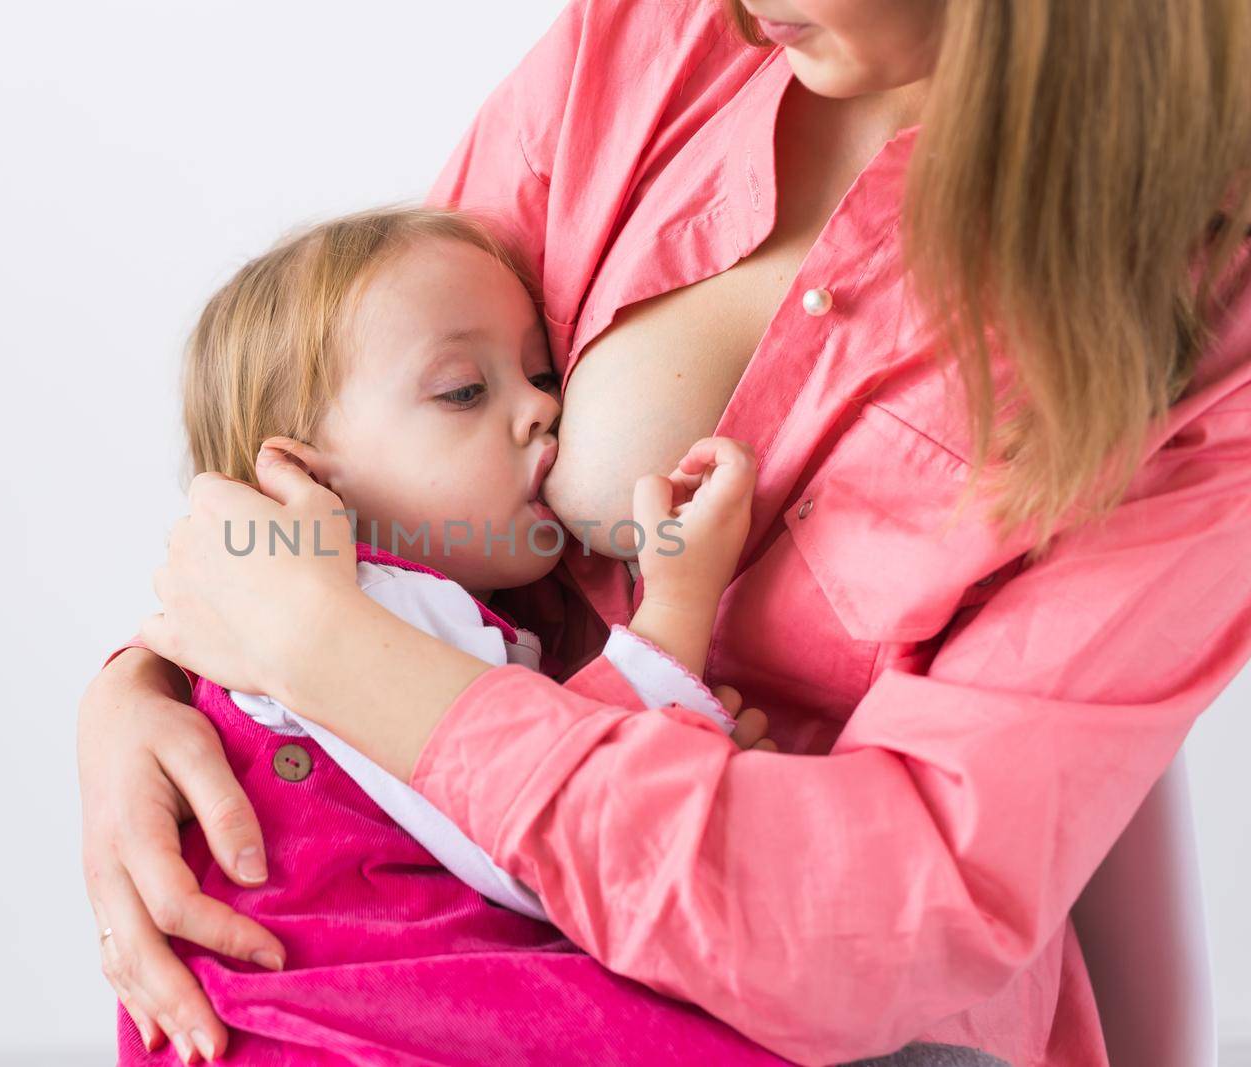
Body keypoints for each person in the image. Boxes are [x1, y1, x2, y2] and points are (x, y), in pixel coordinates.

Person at [80, 1, 1251, 1063]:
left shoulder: (1212, 338)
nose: (735, 15)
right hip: (448, 931)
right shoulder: (642, 42)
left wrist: (328, 659)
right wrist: (155, 687)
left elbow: (906, 909)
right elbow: (343, 396)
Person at [109, 204, 787, 1064]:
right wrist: (678, 609)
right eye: (465, 391)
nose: (541, 409)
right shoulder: (370, 605)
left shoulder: (327, 608)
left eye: (543, 376)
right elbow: (532, 837)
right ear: (310, 477)